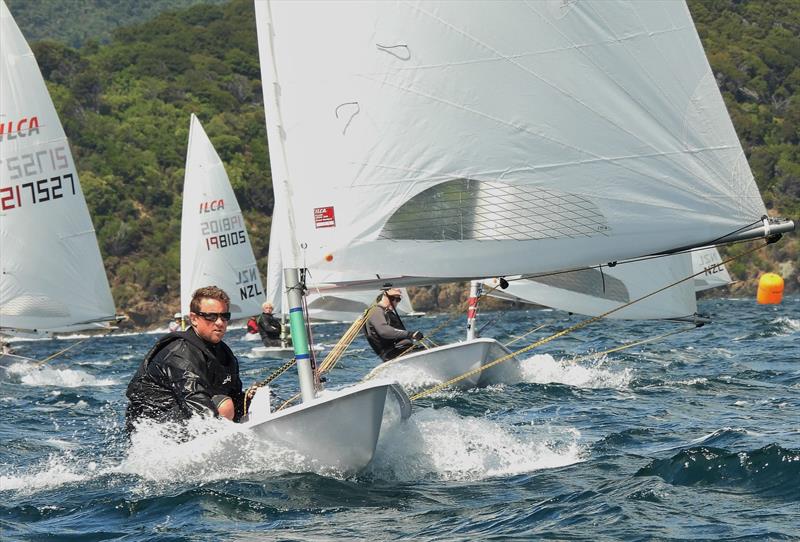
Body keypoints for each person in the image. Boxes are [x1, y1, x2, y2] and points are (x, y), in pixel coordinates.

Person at [125, 286, 245, 433]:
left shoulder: (224, 353)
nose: (220, 322)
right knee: (224, 405)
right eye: (211, 316)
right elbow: (195, 400)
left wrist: (249, 401)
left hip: (185, 417)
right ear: (194, 319)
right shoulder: (180, 353)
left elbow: (235, 395)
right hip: (156, 427)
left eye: (224, 316)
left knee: (258, 396)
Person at [363, 287, 424, 362]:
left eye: (398, 299)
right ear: (384, 296)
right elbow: (384, 331)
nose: (395, 302)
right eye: (392, 298)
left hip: (403, 350)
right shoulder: (375, 311)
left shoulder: (387, 312)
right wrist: (410, 334)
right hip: (393, 354)